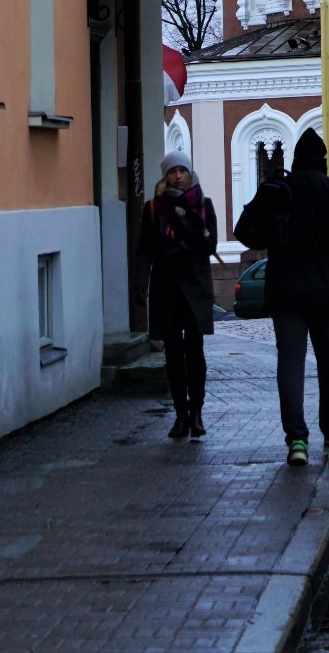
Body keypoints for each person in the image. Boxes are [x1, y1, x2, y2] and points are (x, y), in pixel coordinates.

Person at [234, 128, 329, 466]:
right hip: (328, 294)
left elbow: (243, 232)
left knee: (290, 363)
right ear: (324, 162)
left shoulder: (280, 191)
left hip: (286, 292)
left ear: (295, 159)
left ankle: (296, 440)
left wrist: (274, 234)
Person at [137, 149, 218, 440]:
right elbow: (145, 249)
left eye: (182, 171)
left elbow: (208, 247)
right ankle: (180, 414)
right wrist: (140, 283)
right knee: (172, 354)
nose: (178, 176)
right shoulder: (153, 209)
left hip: (195, 290)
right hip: (166, 289)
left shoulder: (204, 205)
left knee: (195, 352)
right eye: (173, 172)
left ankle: (196, 412)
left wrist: (184, 223)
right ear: (166, 176)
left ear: (189, 173)